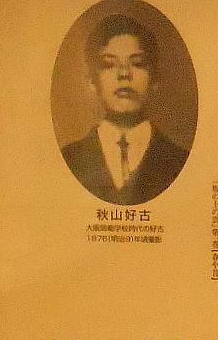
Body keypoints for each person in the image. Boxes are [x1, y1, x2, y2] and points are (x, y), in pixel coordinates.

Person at [62, 14, 189, 203]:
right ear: (92, 81)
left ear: (155, 79)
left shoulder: (180, 161)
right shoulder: (68, 159)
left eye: (137, 63)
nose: (124, 74)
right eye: (109, 64)